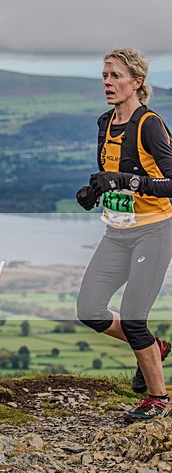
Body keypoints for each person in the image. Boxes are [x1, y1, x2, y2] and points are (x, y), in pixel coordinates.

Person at [76, 47, 172, 422]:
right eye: (104, 76)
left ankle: (158, 399)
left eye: (116, 76)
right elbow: (114, 170)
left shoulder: (150, 124)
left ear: (137, 82)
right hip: (116, 233)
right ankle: (155, 347)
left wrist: (128, 181)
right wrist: (96, 189)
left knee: (133, 318)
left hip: (154, 232)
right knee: (89, 309)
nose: (108, 83)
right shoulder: (106, 122)